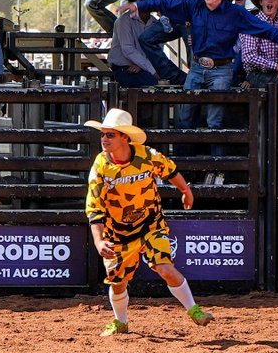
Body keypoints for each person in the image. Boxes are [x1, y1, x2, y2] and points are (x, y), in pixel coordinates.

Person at [126, 0, 278, 148]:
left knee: (215, 121)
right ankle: (183, 162)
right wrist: (140, 5)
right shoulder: (194, 5)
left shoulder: (235, 12)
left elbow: (259, 26)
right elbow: (167, 3)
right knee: (186, 117)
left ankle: (216, 163)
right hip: (197, 67)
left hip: (221, 70)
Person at [85, 108, 208, 337]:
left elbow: (169, 170)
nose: (104, 139)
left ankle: (194, 309)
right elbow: (94, 207)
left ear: (125, 137)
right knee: (118, 282)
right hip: (117, 233)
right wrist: (99, 241)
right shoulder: (100, 166)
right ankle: (120, 322)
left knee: (165, 268)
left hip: (151, 224)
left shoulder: (147, 156)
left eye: (110, 134)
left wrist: (185, 190)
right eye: (103, 134)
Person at [107, 0, 160, 88]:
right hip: (123, 67)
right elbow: (128, 49)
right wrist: (150, 69)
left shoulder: (155, 23)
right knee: (153, 84)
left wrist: (143, 66)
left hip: (144, 67)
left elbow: (155, 50)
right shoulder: (124, 21)